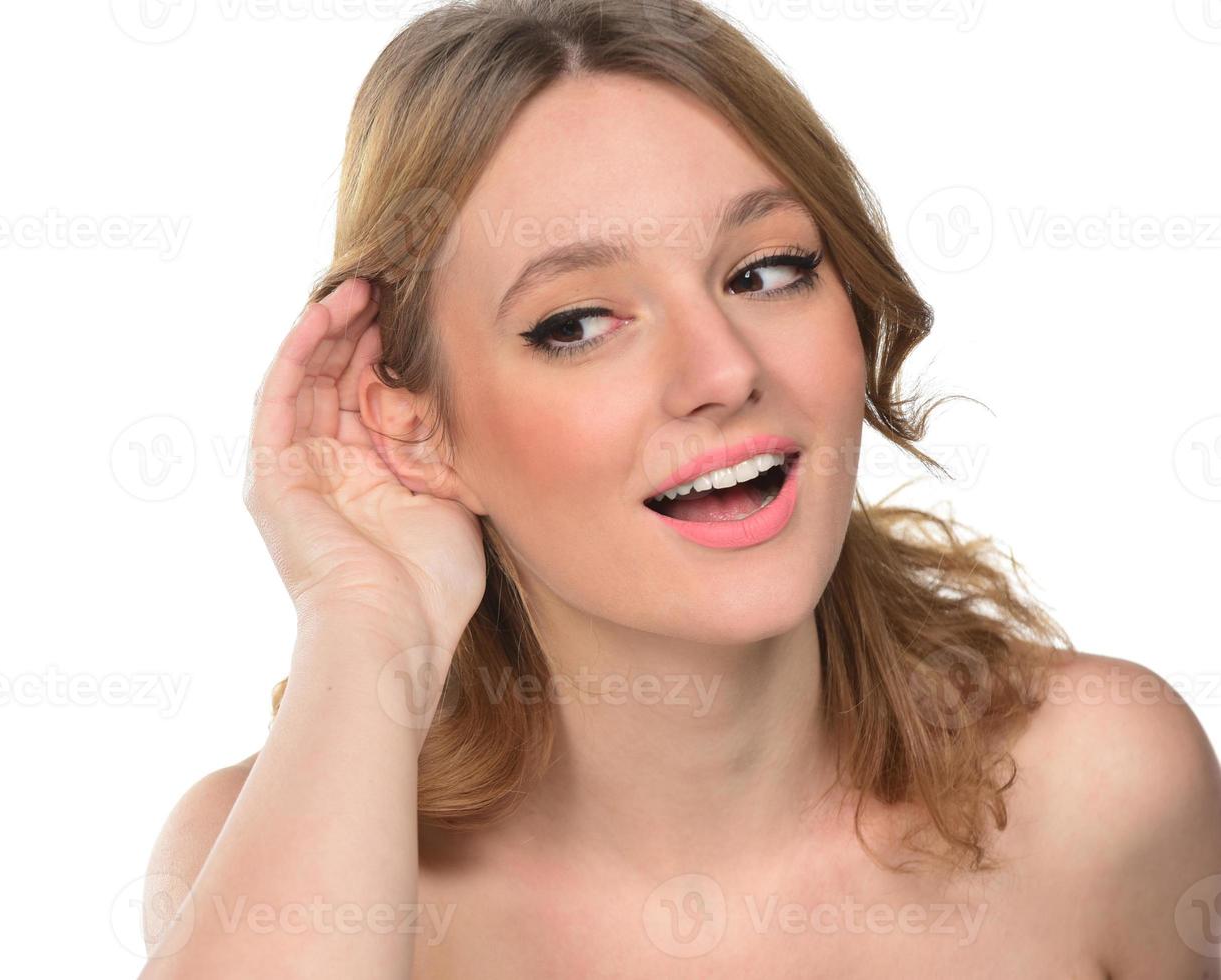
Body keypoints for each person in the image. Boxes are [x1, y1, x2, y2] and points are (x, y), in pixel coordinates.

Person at [136, 0, 1221, 975]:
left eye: (767, 270)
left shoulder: (1103, 789)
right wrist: (362, 618)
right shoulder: (259, 856)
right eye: (577, 323)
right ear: (414, 426)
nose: (723, 369)